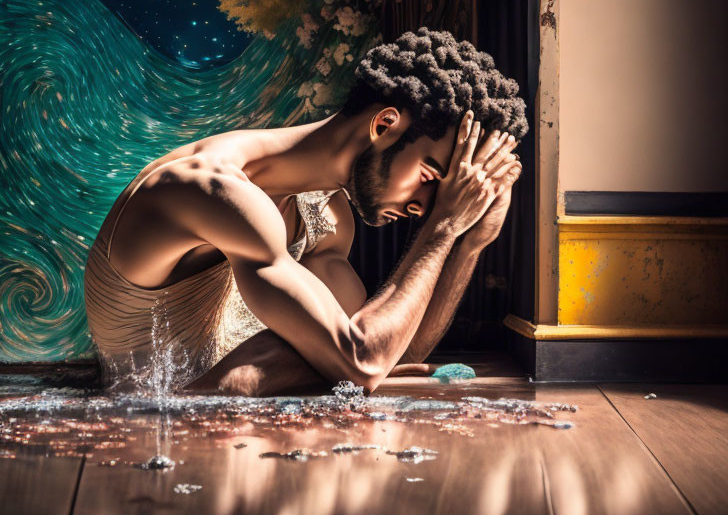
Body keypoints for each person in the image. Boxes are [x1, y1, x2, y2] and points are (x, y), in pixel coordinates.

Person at [83, 27, 527, 396]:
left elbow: (395, 350)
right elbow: (364, 361)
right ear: (385, 124)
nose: (424, 208)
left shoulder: (324, 215)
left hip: (241, 428)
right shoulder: (213, 190)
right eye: (431, 177)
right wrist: (444, 229)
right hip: (151, 430)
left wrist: (471, 240)